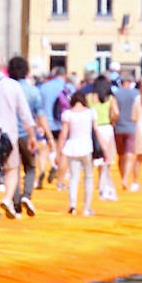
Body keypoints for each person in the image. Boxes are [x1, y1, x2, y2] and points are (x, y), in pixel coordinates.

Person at [0, 55, 37, 219]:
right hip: (9, 134)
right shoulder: (13, 86)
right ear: (3, 67)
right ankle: (8, 198)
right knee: (13, 169)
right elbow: (24, 113)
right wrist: (31, 134)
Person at [60, 83, 98, 215]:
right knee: (88, 177)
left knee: (74, 177)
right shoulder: (90, 112)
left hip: (72, 146)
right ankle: (87, 208)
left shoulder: (68, 114)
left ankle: (73, 205)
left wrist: (59, 150)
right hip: (86, 146)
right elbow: (96, 130)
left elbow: (64, 134)